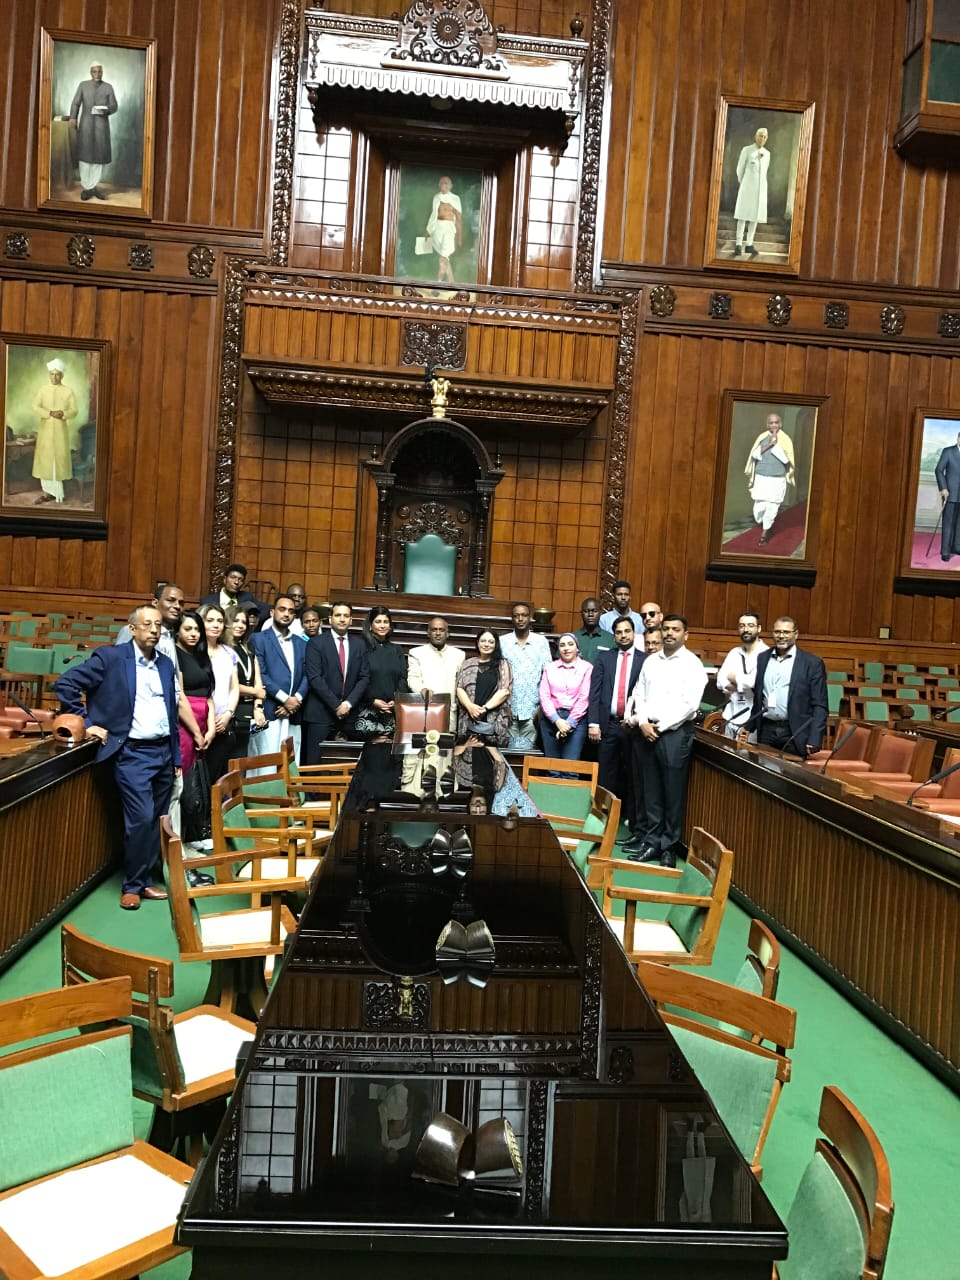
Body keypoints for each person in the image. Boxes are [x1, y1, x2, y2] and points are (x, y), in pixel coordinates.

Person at [53, 605, 179, 909]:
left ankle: (145, 880)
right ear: (132, 629)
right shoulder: (111, 658)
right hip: (132, 753)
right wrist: (86, 721)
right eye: (147, 624)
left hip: (163, 751)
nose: (154, 630)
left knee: (156, 820)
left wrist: (175, 756)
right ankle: (132, 886)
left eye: (158, 625)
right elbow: (66, 683)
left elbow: (171, 712)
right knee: (141, 818)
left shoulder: (165, 664)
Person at [623, 614, 707, 867]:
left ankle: (668, 846)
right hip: (647, 730)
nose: (670, 633)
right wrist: (643, 721)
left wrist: (659, 726)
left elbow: (690, 704)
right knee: (651, 791)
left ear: (685, 634)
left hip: (673, 733)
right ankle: (651, 842)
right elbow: (639, 693)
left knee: (672, 793)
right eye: (666, 629)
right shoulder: (651, 661)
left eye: (675, 629)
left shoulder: (692, 664)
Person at [740, 616, 828, 757]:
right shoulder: (763, 658)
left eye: (786, 632)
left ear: (796, 634)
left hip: (794, 731)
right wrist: (749, 726)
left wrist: (815, 738)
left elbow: (820, 704)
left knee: (791, 770)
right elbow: (759, 697)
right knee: (761, 768)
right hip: (766, 729)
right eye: (777, 632)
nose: (781, 636)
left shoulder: (811, 663)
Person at [587, 617, 644, 823]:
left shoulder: (645, 660)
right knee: (606, 772)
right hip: (607, 724)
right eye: (619, 632)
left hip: (632, 726)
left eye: (627, 631)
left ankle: (629, 816)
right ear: (614, 636)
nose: (623, 635)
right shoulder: (604, 658)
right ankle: (602, 815)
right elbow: (594, 692)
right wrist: (593, 723)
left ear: (634, 633)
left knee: (631, 771)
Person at [302, 601, 369, 763]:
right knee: (314, 764)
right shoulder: (316, 643)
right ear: (330, 619)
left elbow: (364, 677)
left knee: (350, 764)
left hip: (350, 714)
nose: (342, 619)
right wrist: (336, 705)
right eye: (338, 615)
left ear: (351, 620)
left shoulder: (360, 645)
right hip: (320, 713)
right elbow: (315, 678)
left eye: (346, 616)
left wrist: (348, 704)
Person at [249, 594, 308, 759]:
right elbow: (261, 674)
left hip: (294, 713)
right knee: (265, 764)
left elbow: (308, 675)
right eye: (282, 609)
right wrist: (285, 699)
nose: (286, 614)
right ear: (272, 612)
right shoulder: (258, 639)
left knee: (290, 765)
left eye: (291, 611)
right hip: (270, 711)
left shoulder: (301, 643)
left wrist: (295, 701)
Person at [500, 602, 551, 749]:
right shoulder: (503, 642)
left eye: (524, 615)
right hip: (509, 709)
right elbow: (498, 676)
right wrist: (504, 706)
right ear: (512, 619)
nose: (520, 619)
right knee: (507, 754)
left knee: (528, 756)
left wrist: (542, 707)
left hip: (532, 710)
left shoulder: (541, 642)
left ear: (530, 618)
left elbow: (547, 676)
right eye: (516, 616)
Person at [198, 603, 240, 784]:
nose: (216, 625)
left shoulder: (229, 652)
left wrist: (228, 714)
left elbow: (234, 688)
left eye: (220, 621)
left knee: (217, 780)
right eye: (210, 620)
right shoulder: (194, 652)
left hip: (223, 722)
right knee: (199, 780)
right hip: (200, 723)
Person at [65, 63, 118, 201]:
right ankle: (86, 187)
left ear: (102, 72)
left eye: (99, 71)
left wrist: (104, 110)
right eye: (94, 71)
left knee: (98, 156)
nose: (97, 73)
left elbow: (114, 106)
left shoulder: (108, 87)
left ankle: (93, 186)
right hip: (86, 125)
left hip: (101, 125)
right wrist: (73, 117)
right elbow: (75, 103)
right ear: (90, 72)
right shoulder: (83, 85)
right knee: (85, 155)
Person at [355, 606, 408, 739]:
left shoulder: (396, 649)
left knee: (390, 750)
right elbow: (357, 677)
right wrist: (372, 700)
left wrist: (396, 700)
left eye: (386, 622)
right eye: (378, 622)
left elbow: (403, 677)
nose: (382, 625)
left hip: (392, 711)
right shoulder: (361, 647)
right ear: (370, 625)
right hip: (367, 710)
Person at [31, 358, 77, 504]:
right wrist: (49, 413)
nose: (54, 377)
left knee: (58, 461)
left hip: (60, 432)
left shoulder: (68, 391)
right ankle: (46, 494)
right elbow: (35, 407)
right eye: (52, 374)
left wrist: (63, 413)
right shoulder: (43, 390)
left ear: (62, 375)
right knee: (45, 461)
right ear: (49, 375)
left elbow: (74, 410)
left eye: (57, 374)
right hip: (45, 431)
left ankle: (57, 494)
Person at [407, 616, 466, 732]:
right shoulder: (416, 653)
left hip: (450, 714)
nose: (438, 633)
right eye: (434, 630)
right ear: (428, 633)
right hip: (424, 711)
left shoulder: (459, 655)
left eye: (441, 630)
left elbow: (461, 685)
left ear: (447, 633)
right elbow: (412, 679)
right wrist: (422, 689)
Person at [539, 633, 593, 760]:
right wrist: (557, 720)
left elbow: (584, 698)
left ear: (577, 647)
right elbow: (544, 696)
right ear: (558, 649)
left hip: (577, 720)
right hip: (551, 719)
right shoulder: (549, 668)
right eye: (562, 645)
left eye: (570, 644)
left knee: (570, 765)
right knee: (552, 765)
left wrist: (569, 723)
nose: (566, 648)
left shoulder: (587, 668)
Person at [744, 413, 795, 546]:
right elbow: (754, 454)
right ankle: (767, 525)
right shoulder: (762, 437)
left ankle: (765, 533)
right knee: (759, 508)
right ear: (767, 424)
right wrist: (770, 444)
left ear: (780, 424)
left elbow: (787, 460)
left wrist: (776, 445)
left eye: (776, 423)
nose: (774, 425)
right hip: (761, 477)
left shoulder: (785, 439)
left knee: (772, 506)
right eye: (771, 423)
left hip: (776, 479)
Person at [716, 612, 767, 740]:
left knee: (747, 752)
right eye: (742, 626)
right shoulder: (734, 652)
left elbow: (753, 682)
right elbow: (720, 680)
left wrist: (733, 678)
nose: (746, 629)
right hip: (731, 715)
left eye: (750, 625)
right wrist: (735, 683)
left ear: (759, 628)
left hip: (752, 721)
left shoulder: (766, 654)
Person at [456, 629, 512, 745]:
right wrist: (470, 707)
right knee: (468, 753)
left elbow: (505, 691)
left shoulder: (502, 664)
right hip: (468, 720)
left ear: (496, 645)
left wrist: (484, 709)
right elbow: (459, 688)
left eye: (491, 642)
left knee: (490, 755)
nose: (486, 644)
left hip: (494, 723)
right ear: (477, 643)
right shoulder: (467, 663)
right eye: (483, 641)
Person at [227, 605, 267, 757]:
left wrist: (258, 707)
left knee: (243, 759)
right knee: (230, 760)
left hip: (249, 710)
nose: (240, 625)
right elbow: (228, 684)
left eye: (243, 622)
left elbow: (258, 680)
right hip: (232, 710)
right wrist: (256, 692)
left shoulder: (247, 647)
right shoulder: (222, 648)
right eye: (235, 621)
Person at [733, 127, 769, 259]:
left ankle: (749, 244)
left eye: (764, 137)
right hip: (747, 188)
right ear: (755, 136)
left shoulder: (767, 154)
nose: (762, 138)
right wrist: (745, 184)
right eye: (760, 136)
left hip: (760, 191)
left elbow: (764, 173)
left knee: (755, 217)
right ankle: (738, 244)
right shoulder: (747, 150)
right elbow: (739, 170)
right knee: (742, 216)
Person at [422, 175, 461, 284]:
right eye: (442, 183)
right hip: (437, 229)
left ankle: (438, 283)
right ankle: (451, 281)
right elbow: (433, 215)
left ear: (451, 186)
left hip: (449, 229)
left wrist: (459, 237)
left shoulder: (455, 199)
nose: (445, 185)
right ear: (439, 185)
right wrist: (427, 231)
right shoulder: (436, 197)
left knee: (443, 256)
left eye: (447, 183)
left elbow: (458, 218)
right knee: (444, 257)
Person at [935, 432, 960, 562]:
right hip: (949, 494)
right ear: (958, 438)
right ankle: (945, 552)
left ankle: (956, 547)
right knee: (948, 523)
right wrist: (943, 488)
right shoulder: (948, 451)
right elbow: (939, 470)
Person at [573, 597, 614, 664]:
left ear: (600, 613)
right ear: (581, 613)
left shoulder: (611, 639)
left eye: (594, 611)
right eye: (586, 611)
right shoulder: (572, 638)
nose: (590, 614)